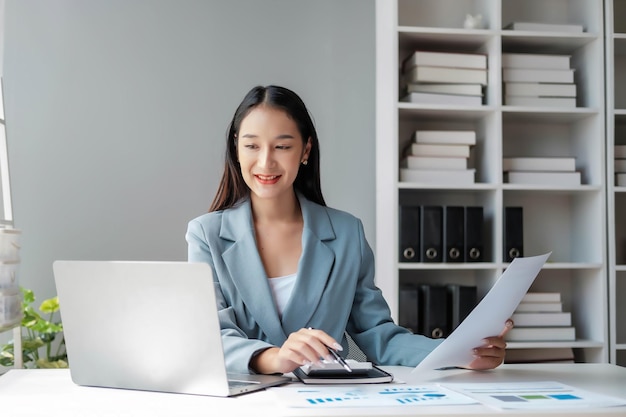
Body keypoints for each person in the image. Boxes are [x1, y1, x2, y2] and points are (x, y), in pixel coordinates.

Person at [186, 85, 513, 375]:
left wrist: (459, 355)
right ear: (236, 148)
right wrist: (274, 358)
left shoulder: (346, 233)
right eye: (252, 146)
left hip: (326, 403)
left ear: (305, 150)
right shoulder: (207, 234)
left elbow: (378, 335)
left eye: (282, 146)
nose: (266, 162)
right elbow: (211, 333)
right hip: (243, 404)